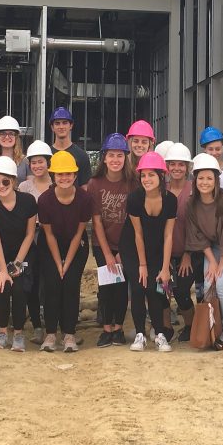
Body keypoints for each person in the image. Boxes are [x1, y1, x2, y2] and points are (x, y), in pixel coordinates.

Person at [119, 151, 176, 352]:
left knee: (154, 288)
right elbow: (137, 234)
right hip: (133, 247)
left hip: (157, 247)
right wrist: (142, 265)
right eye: (143, 175)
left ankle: (160, 334)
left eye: (151, 175)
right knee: (138, 286)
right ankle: (140, 334)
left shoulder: (170, 200)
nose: (146, 179)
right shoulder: (134, 198)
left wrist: (165, 267)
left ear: (161, 176)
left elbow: (169, 235)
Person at [185, 153, 223, 350]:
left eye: (209, 178)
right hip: (211, 249)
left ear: (216, 180)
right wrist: (212, 261)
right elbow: (198, 236)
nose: (204, 182)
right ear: (195, 180)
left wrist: (222, 263)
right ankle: (212, 331)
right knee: (209, 282)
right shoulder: (192, 204)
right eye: (200, 178)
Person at [0, 156, 38, 352]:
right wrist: (3, 269)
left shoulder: (28, 201)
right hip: (0, 253)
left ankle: (19, 334)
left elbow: (30, 234)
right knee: (2, 285)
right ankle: (3, 332)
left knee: (20, 288)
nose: (1, 186)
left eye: (5, 181)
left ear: (14, 181)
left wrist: (17, 263)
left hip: (24, 253)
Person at [38, 151, 93, 353]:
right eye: (60, 174)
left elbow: (79, 233)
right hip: (50, 244)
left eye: (68, 174)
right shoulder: (44, 200)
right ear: (53, 176)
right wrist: (57, 264)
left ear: (75, 175)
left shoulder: (85, 199)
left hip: (75, 245)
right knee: (52, 283)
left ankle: (69, 333)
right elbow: (49, 235)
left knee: (70, 283)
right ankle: (51, 333)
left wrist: (66, 263)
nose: (64, 178)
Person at [88, 133, 136, 347]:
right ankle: (107, 328)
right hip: (102, 244)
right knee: (106, 287)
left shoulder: (133, 183)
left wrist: (121, 252)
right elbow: (96, 222)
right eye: (111, 155)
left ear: (126, 157)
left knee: (121, 287)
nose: (115, 160)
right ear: (104, 158)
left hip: (126, 243)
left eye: (119, 155)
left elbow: (133, 221)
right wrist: (108, 253)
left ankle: (118, 328)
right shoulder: (95, 184)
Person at [18, 140, 54, 344]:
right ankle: (37, 326)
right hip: (30, 238)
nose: (37, 166)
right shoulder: (24, 186)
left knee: (48, 281)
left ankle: (51, 322)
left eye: (41, 162)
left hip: (51, 238)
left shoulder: (56, 183)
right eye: (33, 162)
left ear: (48, 162)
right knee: (31, 281)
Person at [165, 143, 198, 342]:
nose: (177, 168)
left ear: (188, 167)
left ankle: (190, 325)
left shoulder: (194, 190)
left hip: (189, 252)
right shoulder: (161, 190)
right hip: (166, 252)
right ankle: (166, 328)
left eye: (181, 164)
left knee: (182, 291)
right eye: (173, 164)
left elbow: (197, 226)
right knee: (163, 290)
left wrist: (187, 254)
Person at [48, 107, 92, 187]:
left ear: (71, 125)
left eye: (65, 123)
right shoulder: (47, 155)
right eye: (57, 123)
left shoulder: (82, 155)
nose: (61, 127)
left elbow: (85, 187)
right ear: (52, 127)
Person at [0, 115, 30, 183]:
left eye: (11, 134)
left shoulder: (26, 162)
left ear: (16, 138)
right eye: (3, 133)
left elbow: (30, 188)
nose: (7, 137)